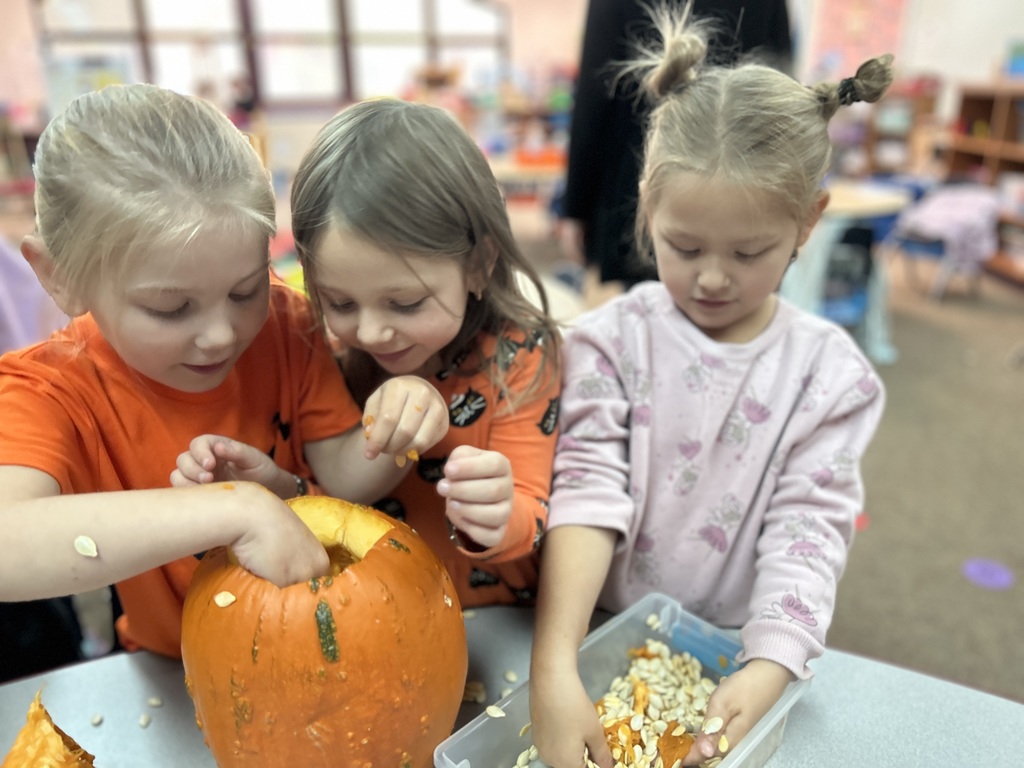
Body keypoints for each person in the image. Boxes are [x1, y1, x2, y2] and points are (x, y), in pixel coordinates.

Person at [529, 4, 891, 766]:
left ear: (806, 222)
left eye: (750, 251)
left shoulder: (830, 378)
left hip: (731, 642)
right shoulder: (608, 342)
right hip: (599, 629)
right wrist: (554, 662)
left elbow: (808, 528)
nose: (715, 277)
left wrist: (771, 662)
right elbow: (588, 490)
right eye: (684, 246)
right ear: (647, 208)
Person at [0, 83, 448, 660]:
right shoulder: (47, 389)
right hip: (177, 665)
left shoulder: (285, 322)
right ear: (59, 276)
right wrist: (233, 510)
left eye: (245, 288)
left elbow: (343, 475)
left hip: (330, 642)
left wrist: (400, 420)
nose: (222, 335)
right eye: (170, 308)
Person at [289, 98, 562, 607]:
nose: (370, 332)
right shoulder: (323, 353)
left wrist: (499, 515)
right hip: (373, 618)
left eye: (406, 303)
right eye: (340, 302)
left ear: (479, 264)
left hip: (497, 620)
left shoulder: (521, 356)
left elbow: (533, 513)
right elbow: (323, 493)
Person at [559, 0, 792, 287]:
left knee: (650, 312)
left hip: (644, 196)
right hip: (745, 194)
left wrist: (576, 208)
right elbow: (779, 91)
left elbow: (593, 99)